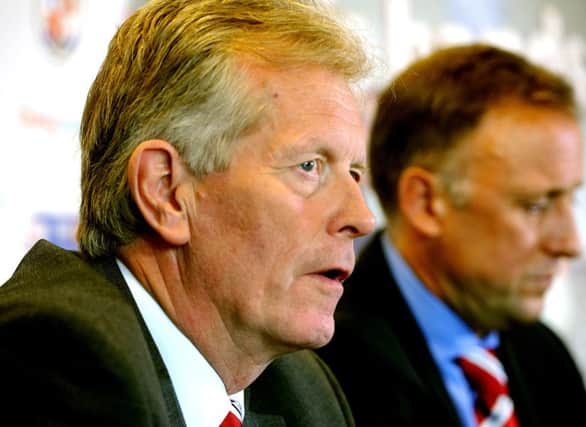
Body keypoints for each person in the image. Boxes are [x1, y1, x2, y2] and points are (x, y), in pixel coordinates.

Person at [0, 0, 376, 425]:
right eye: (309, 166)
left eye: (355, 173)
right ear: (167, 191)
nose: (361, 217)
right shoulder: (59, 360)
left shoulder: (303, 392)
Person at [318, 43, 586, 426]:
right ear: (426, 202)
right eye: (536, 205)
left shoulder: (544, 356)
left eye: (570, 200)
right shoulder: (323, 371)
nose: (569, 243)